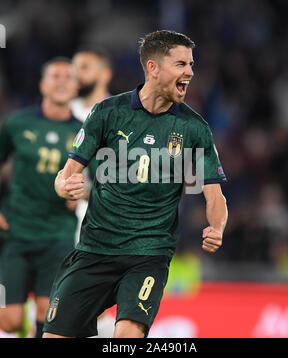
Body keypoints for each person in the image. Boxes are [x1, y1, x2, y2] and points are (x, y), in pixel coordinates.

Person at [42, 30, 228, 338]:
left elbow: (214, 194)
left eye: (192, 64)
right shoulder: (107, 113)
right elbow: (67, 172)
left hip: (148, 254)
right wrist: (63, 186)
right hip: (94, 250)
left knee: (127, 337)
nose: (190, 72)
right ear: (153, 68)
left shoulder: (195, 128)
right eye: (181, 64)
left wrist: (217, 227)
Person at [0, 57, 83, 338]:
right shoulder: (16, 124)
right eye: (55, 76)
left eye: (68, 77)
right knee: (9, 320)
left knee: (47, 314)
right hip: (16, 231)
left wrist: (84, 191)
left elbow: (102, 178)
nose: (61, 81)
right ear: (42, 85)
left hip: (58, 234)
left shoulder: (86, 131)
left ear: (76, 87)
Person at [71, 47, 115, 338]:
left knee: (92, 298)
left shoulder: (122, 113)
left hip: (101, 214)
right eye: (75, 67)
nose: (76, 74)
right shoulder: (63, 109)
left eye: (85, 67)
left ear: (104, 73)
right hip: (60, 215)